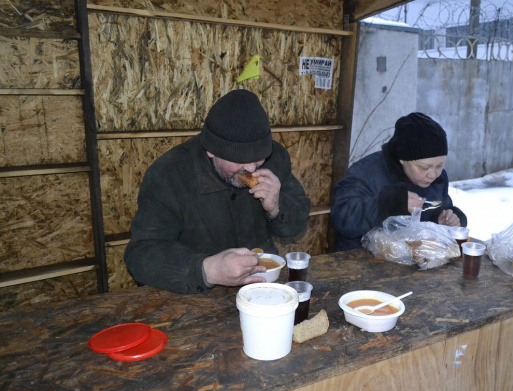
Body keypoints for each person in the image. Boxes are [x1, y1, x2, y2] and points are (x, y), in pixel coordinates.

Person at [125, 89, 311, 293]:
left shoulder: (275, 159)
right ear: (211, 151)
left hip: (262, 288)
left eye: (258, 159)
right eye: (240, 160)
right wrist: (207, 270)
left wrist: (277, 207)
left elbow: (296, 223)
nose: (251, 169)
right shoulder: (169, 175)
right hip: (194, 297)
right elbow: (141, 255)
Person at [331, 112, 467, 251]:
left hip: (415, 257)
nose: (433, 175)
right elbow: (343, 218)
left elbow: (440, 207)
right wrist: (390, 204)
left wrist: (444, 219)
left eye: (439, 165)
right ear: (403, 159)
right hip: (359, 258)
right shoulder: (366, 172)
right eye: (424, 167)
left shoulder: (439, 177)